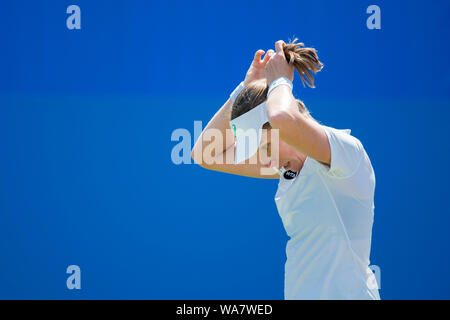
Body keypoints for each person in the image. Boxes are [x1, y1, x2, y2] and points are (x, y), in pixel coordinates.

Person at [191, 38, 380, 300]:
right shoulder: (284, 170)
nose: (266, 161)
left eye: (266, 147)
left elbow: (282, 118)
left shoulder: (347, 152)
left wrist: (281, 82)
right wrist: (244, 90)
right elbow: (204, 154)